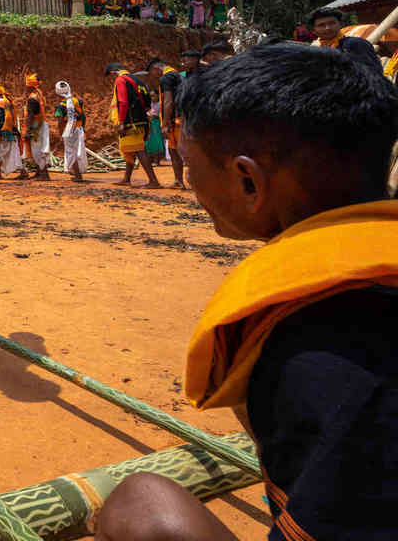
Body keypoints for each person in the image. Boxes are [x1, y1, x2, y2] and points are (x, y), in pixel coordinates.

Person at [94, 43, 398, 541]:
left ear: (247, 182)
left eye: (192, 170)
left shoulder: (312, 352)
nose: (192, 188)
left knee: (139, 503)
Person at [105, 63, 161, 188]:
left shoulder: (121, 80)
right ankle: (126, 178)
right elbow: (147, 102)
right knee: (131, 149)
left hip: (130, 121)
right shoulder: (138, 81)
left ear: (114, 71)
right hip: (141, 120)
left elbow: (123, 101)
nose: (112, 80)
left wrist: (121, 122)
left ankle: (154, 181)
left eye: (110, 77)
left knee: (139, 150)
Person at [148, 58, 186, 188]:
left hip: (175, 121)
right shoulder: (179, 76)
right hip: (184, 118)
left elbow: (168, 101)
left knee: (176, 151)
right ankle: (178, 181)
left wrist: (164, 123)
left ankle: (181, 180)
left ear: (156, 68)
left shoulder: (166, 78)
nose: (154, 76)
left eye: (153, 73)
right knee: (177, 150)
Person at [307, 7, 381, 70]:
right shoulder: (315, 50)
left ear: (341, 24)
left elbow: (372, 74)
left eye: (332, 23)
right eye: (321, 25)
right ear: (314, 31)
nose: (328, 28)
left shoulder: (355, 44)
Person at [53, 81, 86, 182]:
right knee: (78, 151)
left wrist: (61, 133)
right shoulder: (78, 101)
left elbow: (60, 121)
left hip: (69, 130)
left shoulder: (61, 107)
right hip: (79, 128)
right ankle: (76, 172)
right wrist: (82, 127)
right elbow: (83, 116)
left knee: (71, 152)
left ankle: (78, 175)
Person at [20, 73, 50, 180]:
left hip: (36, 126)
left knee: (37, 150)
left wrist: (28, 130)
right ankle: (39, 172)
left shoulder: (32, 98)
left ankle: (44, 174)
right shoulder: (39, 95)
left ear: (29, 86)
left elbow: (30, 116)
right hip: (40, 124)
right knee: (39, 148)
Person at [0, 83, 21, 179]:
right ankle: (23, 172)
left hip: (2, 132)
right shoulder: (7, 101)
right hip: (10, 131)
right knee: (13, 152)